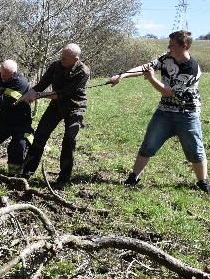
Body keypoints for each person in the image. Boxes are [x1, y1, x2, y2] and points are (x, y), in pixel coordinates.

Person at [108, 30, 208, 192]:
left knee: (194, 148)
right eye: (169, 44)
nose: (169, 48)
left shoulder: (192, 69)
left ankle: (202, 182)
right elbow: (146, 67)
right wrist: (123, 75)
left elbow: (168, 92)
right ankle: (134, 177)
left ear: (185, 46)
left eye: (173, 45)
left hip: (187, 114)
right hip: (165, 111)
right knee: (149, 143)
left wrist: (151, 78)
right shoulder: (167, 57)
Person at [18, 43, 90, 189]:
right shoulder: (56, 66)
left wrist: (39, 96)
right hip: (56, 107)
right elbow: (41, 85)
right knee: (39, 136)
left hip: (75, 107)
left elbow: (62, 94)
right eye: (61, 56)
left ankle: (63, 179)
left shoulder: (83, 71)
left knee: (69, 140)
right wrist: (25, 96)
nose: (61, 60)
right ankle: (26, 173)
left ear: (76, 59)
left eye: (65, 58)